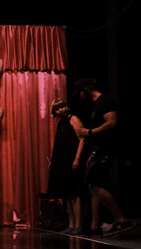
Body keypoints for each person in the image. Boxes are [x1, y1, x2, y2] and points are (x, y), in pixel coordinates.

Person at [73, 78, 132, 237]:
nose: (80, 97)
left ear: (85, 90)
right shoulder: (96, 105)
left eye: (80, 93)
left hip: (108, 148)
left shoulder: (104, 101)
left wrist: (89, 132)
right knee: (93, 185)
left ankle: (121, 220)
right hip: (100, 149)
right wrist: (93, 153)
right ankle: (94, 226)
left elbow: (112, 122)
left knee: (95, 185)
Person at [47, 98, 88, 235]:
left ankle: (78, 225)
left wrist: (77, 158)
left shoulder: (73, 119)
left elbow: (82, 138)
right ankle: (71, 224)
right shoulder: (61, 122)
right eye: (57, 109)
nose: (61, 110)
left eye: (62, 107)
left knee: (75, 193)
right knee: (68, 194)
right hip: (63, 162)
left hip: (72, 160)